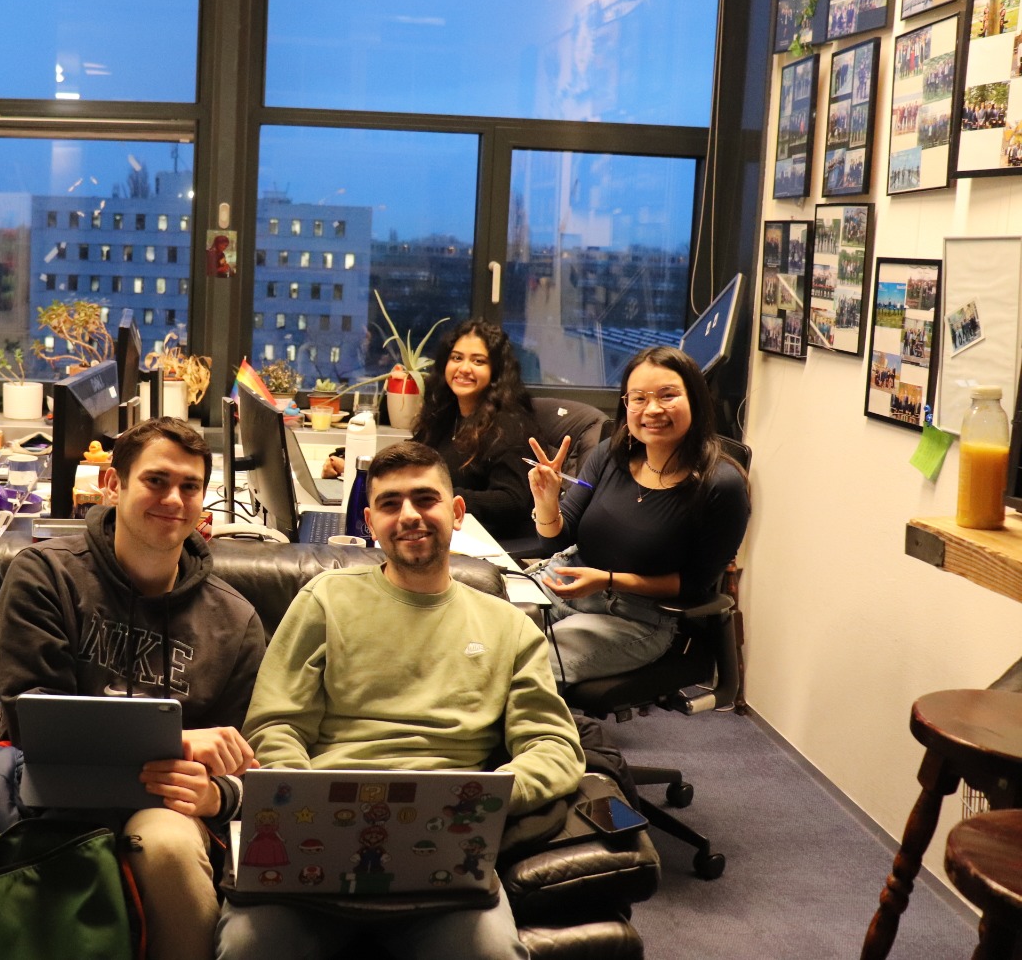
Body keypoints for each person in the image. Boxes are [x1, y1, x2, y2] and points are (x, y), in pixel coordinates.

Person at [0, 417, 267, 960]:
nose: (173, 499)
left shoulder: (234, 622)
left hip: (154, 800)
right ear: (113, 485)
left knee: (169, 847)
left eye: (190, 486)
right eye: (156, 480)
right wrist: (179, 740)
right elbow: (35, 720)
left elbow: (247, 766)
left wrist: (217, 792)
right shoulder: (45, 574)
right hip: (25, 778)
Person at [217, 440, 584, 960]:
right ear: (371, 522)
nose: (409, 515)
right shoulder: (326, 599)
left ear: (456, 512)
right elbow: (276, 724)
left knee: (492, 953)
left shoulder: (509, 627)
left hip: (448, 839)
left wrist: (489, 797)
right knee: (247, 947)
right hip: (321, 831)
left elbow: (554, 746)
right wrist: (304, 799)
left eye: (425, 499)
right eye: (390, 504)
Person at [527, 345, 750, 687]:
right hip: (564, 580)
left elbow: (696, 584)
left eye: (668, 395)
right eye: (639, 398)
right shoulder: (609, 455)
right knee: (481, 636)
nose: (653, 409)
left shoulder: (722, 485)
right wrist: (546, 501)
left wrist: (608, 580)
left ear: (696, 399)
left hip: (636, 617)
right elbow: (555, 542)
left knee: (526, 670)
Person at [322, 321, 538, 541]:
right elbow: (410, 456)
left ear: (496, 371)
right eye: (457, 358)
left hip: (489, 543)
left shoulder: (511, 426)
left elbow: (512, 500)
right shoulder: (446, 414)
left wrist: (439, 495)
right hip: (441, 532)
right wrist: (356, 465)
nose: (464, 368)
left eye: (478, 361)